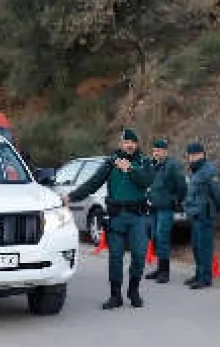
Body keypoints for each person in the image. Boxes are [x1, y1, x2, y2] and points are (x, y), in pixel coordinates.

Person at [70, 128, 155, 309]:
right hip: (116, 217)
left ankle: (133, 291)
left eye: (132, 142)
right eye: (126, 142)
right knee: (115, 257)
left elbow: (147, 180)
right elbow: (93, 183)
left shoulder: (144, 162)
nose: (129, 145)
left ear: (137, 144)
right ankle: (115, 295)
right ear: (121, 144)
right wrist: (71, 197)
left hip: (137, 217)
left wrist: (129, 169)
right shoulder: (111, 163)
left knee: (139, 255)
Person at [182, 142, 220, 290]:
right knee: (196, 247)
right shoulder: (196, 171)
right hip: (195, 215)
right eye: (190, 155)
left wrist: (213, 211)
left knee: (204, 248)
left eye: (195, 155)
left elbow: (219, 195)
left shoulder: (210, 171)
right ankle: (198, 274)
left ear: (202, 154)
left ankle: (205, 278)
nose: (192, 158)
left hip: (205, 216)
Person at [145, 138, 186, 284]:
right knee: (155, 237)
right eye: (154, 151)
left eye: (159, 150)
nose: (156, 153)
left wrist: (177, 201)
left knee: (163, 237)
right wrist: (148, 197)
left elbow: (182, 185)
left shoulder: (172, 165)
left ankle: (165, 272)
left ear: (165, 151)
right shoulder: (153, 165)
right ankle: (159, 268)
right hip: (154, 207)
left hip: (166, 207)